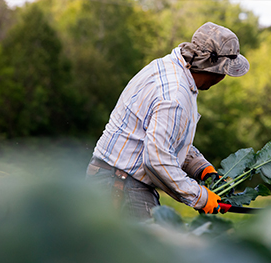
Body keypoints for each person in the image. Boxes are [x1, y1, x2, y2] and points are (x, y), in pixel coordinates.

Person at [86, 22, 249, 220]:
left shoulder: (170, 68)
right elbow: (157, 159)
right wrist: (200, 197)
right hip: (120, 185)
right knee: (147, 250)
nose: (223, 78)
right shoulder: (175, 95)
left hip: (112, 178)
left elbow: (167, 137)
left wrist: (203, 170)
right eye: (224, 72)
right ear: (213, 67)